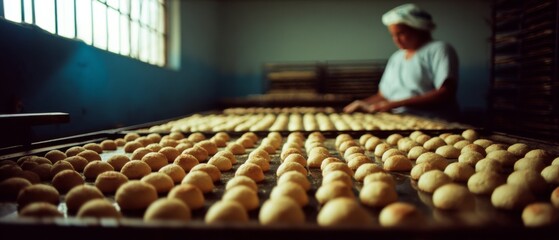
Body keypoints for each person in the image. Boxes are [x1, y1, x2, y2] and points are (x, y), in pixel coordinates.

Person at [344, 3, 459, 119]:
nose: (396, 40)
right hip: (398, 118)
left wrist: (396, 103)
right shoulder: (396, 57)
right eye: (392, 35)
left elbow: (445, 93)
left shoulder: (438, 49)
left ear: (418, 29)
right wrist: (363, 103)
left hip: (433, 120)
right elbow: (384, 95)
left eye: (401, 33)